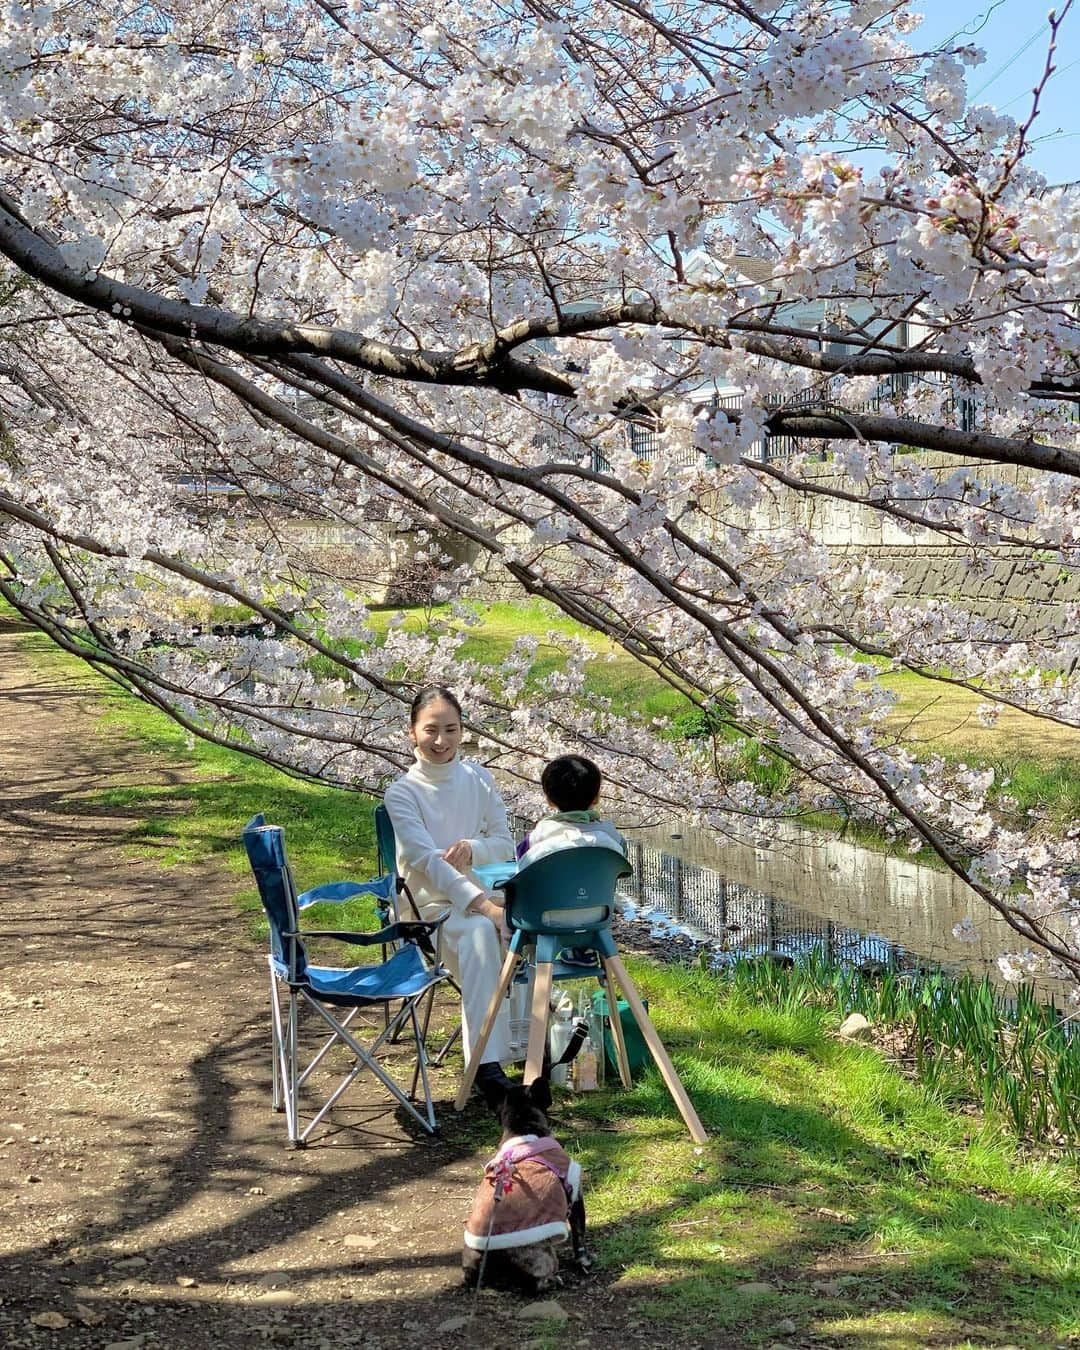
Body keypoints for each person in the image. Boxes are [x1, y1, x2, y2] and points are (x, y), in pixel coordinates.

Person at [384, 685, 516, 1108]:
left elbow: (504, 842)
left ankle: (534, 1052)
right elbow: (427, 862)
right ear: (412, 733)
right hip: (430, 909)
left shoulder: (479, 778)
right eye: (431, 731)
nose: (440, 742)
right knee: (481, 931)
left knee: (522, 927)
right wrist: (485, 908)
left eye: (450, 730)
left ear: (462, 731)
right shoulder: (401, 793)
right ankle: (486, 1067)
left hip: (485, 897)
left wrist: (473, 848)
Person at [517, 754, 626, 969]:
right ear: (597, 797)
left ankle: (517, 958)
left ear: (548, 799)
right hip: (597, 915)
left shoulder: (540, 835)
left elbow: (520, 869)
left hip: (544, 918)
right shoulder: (611, 836)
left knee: (512, 896)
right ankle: (582, 950)